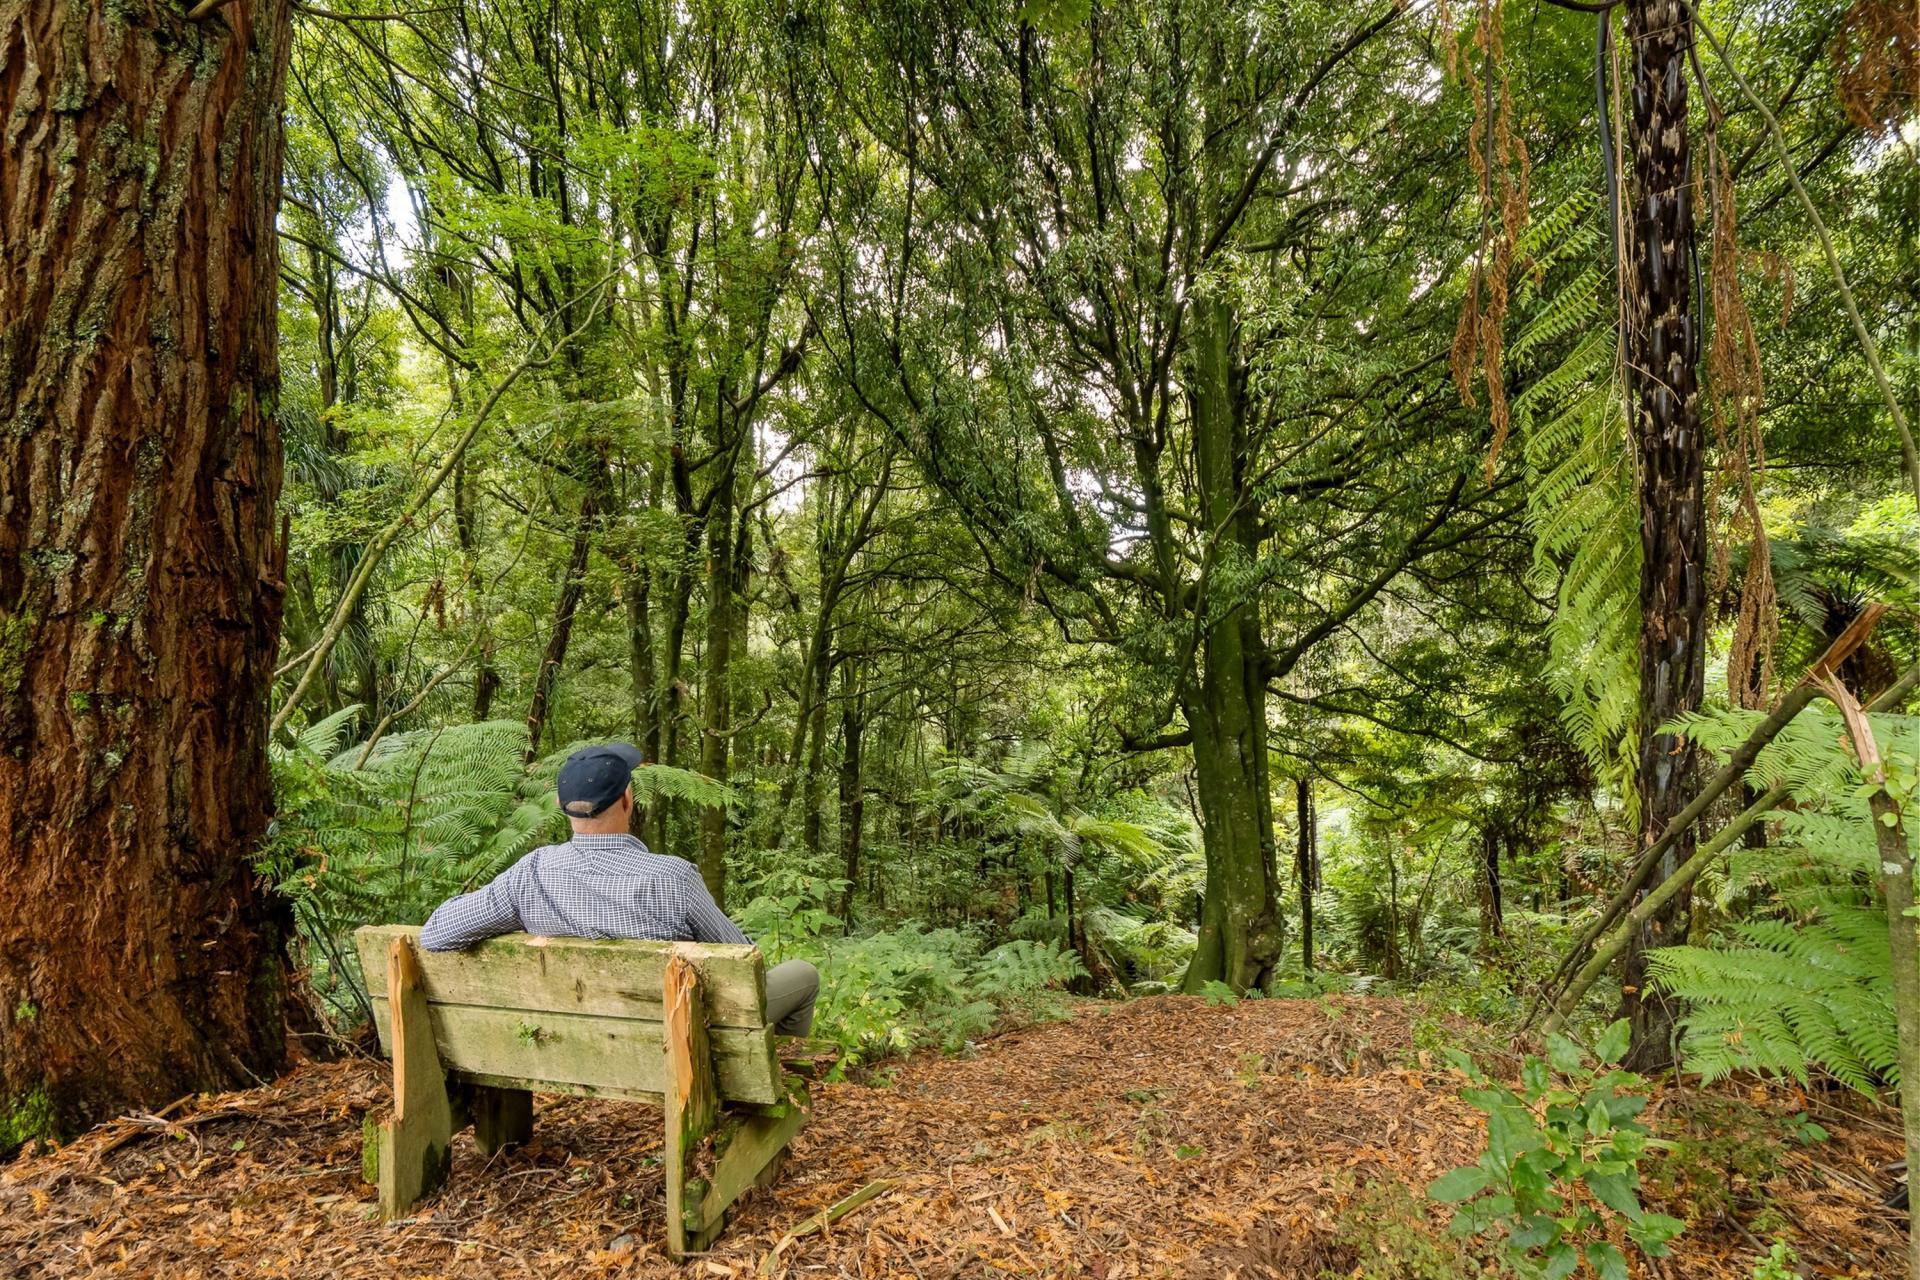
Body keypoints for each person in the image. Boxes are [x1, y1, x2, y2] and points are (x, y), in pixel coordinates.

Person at [418, 742, 819, 1036]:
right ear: (628, 799)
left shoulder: (531, 873)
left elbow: (436, 933)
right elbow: (741, 964)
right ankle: (759, 1090)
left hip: (574, 1045)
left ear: (561, 803)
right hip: (675, 1041)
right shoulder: (673, 878)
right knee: (803, 974)